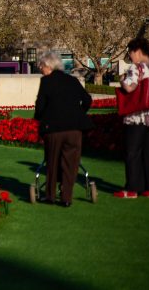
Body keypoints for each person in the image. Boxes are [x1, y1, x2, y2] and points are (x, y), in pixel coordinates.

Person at [34, 52, 93, 206]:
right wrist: (79, 113)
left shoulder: (46, 81)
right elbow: (87, 100)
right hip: (74, 128)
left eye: (41, 66)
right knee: (71, 164)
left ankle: (50, 196)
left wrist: (40, 117)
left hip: (53, 129)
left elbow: (40, 106)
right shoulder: (72, 81)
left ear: (48, 66)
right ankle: (66, 197)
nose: (40, 69)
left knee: (52, 162)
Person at [115, 37, 149, 199]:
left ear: (137, 51)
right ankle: (148, 188)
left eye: (130, 53)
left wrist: (122, 80)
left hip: (137, 116)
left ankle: (132, 189)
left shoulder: (136, 68)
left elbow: (130, 87)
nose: (130, 56)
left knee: (133, 152)